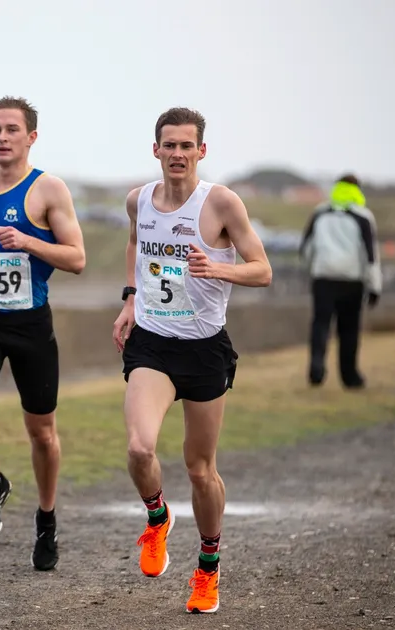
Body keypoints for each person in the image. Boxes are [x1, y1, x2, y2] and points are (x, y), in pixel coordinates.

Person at [111, 107, 272, 614]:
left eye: (187, 145)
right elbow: (138, 244)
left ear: (202, 151)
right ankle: (157, 518)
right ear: (155, 149)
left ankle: (207, 568)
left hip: (204, 348)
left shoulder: (221, 203)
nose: (177, 154)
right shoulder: (139, 200)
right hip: (153, 344)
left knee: (200, 470)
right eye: (169, 145)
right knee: (140, 449)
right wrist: (132, 298)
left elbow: (263, 270)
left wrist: (219, 271)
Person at [0, 96, 86, 571]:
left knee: (43, 434)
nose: (2, 138)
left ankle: (46, 520)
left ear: (31, 137)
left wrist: (29, 240)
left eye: (11, 130)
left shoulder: (48, 190)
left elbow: (77, 259)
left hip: (30, 323)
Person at [297, 174, 382, 388]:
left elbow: (306, 248)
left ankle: (316, 368)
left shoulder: (320, 212)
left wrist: (310, 271)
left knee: (320, 324)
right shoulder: (363, 216)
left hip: (323, 277)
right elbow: (371, 255)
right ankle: (350, 376)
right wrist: (374, 286)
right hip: (352, 280)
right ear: (357, 190)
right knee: (349, 330)